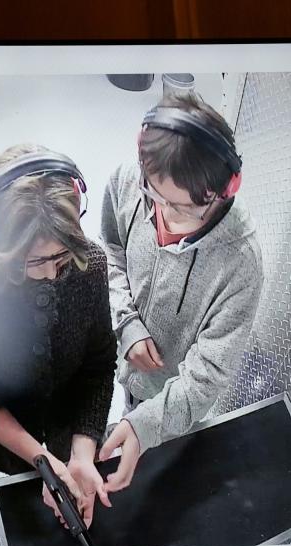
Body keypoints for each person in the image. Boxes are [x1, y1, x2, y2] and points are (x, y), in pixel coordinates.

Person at [0, 144, 116, 527]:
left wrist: (82, 454)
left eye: (62, 257)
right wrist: (40, 459)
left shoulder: (89, 264)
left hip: (75, 424)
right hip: (11, 441)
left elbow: (99, 365)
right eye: (35, 260)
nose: (54, 274)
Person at [98, 93, 264, 492]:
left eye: (185, 208)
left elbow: (208, 375)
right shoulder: (127, 180)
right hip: (129, 368)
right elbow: (110, 252)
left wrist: (147, 426)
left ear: (226, 189)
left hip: (180, 403)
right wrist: (128, 324)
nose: (166, 215)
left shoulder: (241, 264)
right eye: (155, 198)